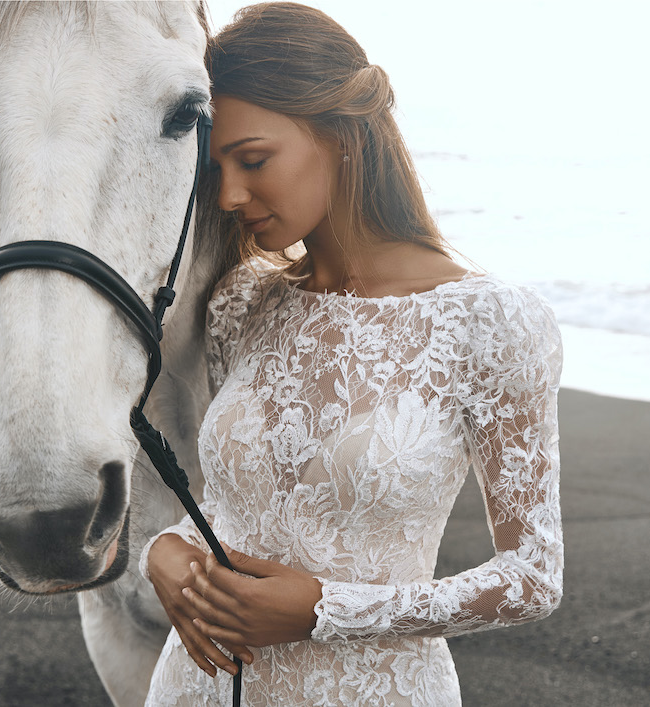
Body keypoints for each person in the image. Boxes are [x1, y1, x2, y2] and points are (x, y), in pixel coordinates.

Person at [139, 3, 564, 705]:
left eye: (253, 159)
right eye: (218, 169)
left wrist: (323, 609)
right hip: (200, 688)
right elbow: (233, 507)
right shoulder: (242, 302)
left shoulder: (494, 320)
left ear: (339, 134)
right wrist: (167, 552)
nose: (233, 194)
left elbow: (531, 575)